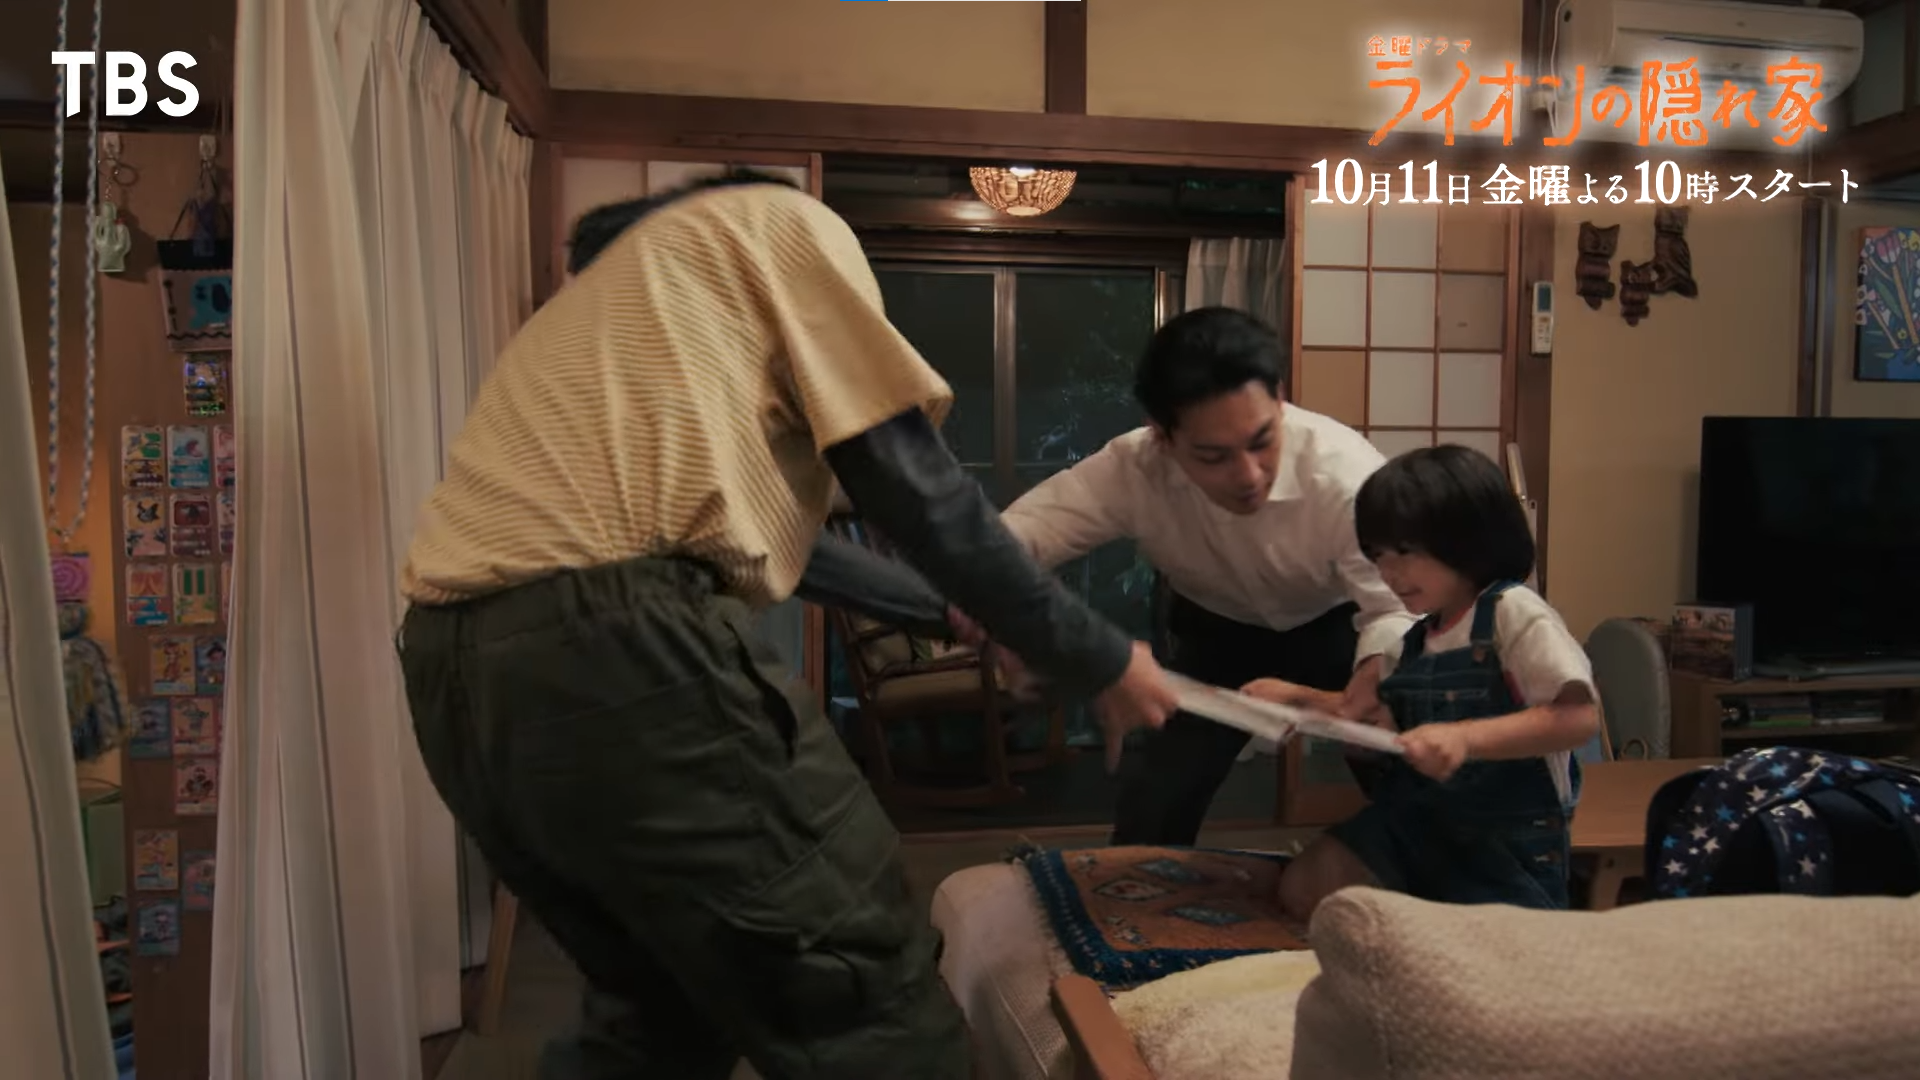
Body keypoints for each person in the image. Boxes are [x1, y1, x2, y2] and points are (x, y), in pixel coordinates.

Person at [393, 172, 1179, 1080]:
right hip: (614, 652)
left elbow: (783, 548)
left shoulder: (597, 329)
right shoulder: (771, 219)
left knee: (659, 1006)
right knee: (858, 980)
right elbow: (913, 482)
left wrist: (954, 615)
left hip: (451, 670)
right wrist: (1095, 653)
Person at [984, 306, 1414, 847]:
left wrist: (1375, 678)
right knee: (1159, 798)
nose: (1248, 475)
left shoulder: (1345, 473)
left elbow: (1395, 604)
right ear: (1161, 435)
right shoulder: (1132, 468)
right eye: (1213, 456)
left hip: (1336, 625)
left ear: (1279, 397)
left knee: (1403, 770)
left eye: (1262, 441)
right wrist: (1010, 615)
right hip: (1215, 636)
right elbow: (1016, 536)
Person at [1244, 444, 1600, 923]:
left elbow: (1578, 717)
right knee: (1309, 884)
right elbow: (1367, 712)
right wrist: (1295, 700)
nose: (1389, 573)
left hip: (1500, 839)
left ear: (1471, 537)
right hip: (1416, 822)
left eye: (1405, 552)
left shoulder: (1512, 612)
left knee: (1488, 947)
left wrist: (1465, 738)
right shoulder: (1415, 639)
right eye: (1378, 556)